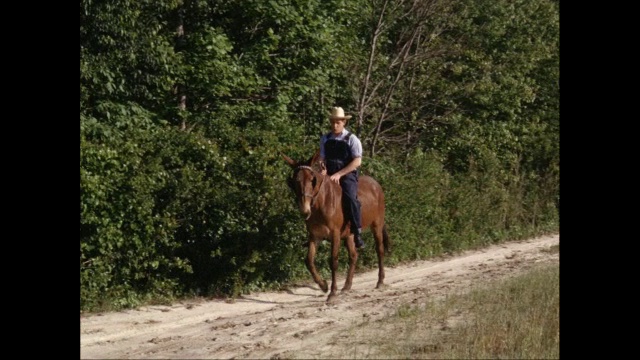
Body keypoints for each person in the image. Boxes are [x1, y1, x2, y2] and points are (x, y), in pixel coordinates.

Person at [318, 106, 365, 248]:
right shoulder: (325, 138)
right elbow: (321, 157)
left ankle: (357, 231)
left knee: (351, 197)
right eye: (333, 122)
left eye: (338, 122)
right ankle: (317, 231)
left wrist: (339, 174)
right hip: (329, 174)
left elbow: (357, 161)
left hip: (346, 174)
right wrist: (322, 168)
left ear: (344, 122)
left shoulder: (352, 139)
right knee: (313, 194)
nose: (335, 125)